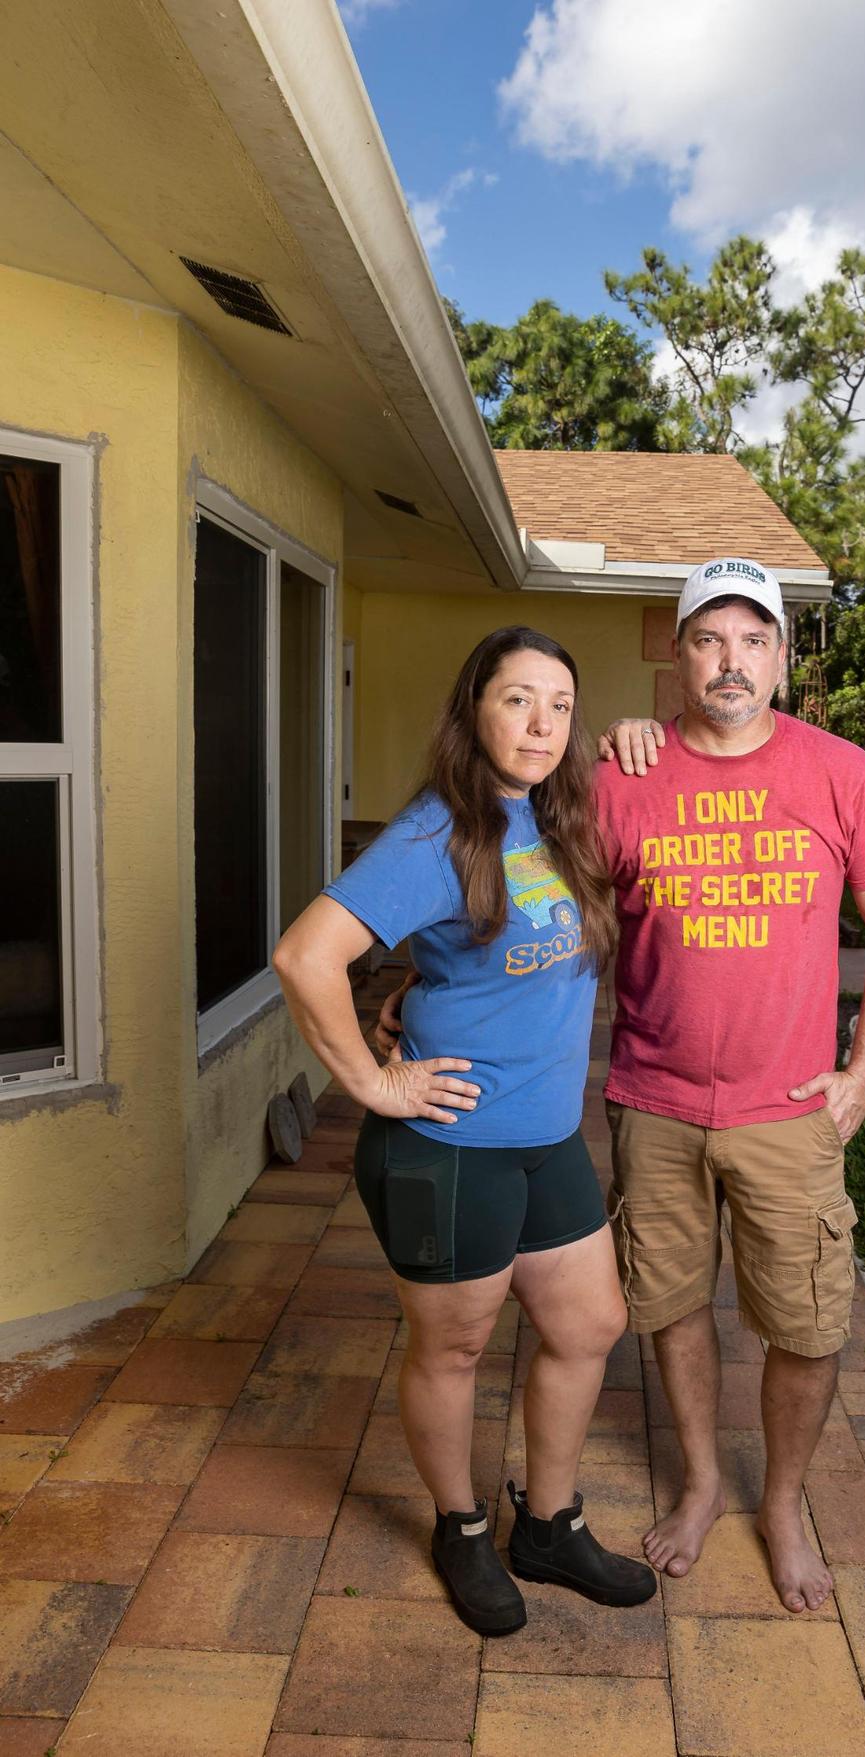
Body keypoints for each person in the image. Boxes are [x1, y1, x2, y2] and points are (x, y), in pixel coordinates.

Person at [273, 626, 655, 1637]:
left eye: (560, 704)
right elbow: (305, 955)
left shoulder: (560, 815)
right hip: (448, 1142)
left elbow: (488, 956)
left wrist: (639, 728)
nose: (541, 723)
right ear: (474, 707)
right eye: (518, 698)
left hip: (545, 1136)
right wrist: (373, 1080)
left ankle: (550, 1521)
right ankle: (461, 1524)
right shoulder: (440, 829)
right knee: (456, 1347)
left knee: (588, 1324)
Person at [591, 556, 865, 1612]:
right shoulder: (621, 777)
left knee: (808, 1322)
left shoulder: (840, 771)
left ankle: (780, 1499)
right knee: (672, 1303)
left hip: (789, 1111)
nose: (730, 662)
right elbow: (559, 925)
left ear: (783, 656)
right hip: (654, 1101)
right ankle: (698, 1481)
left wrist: (860, 1073)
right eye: (708, 638)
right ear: (678, 653)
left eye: (752, 640)